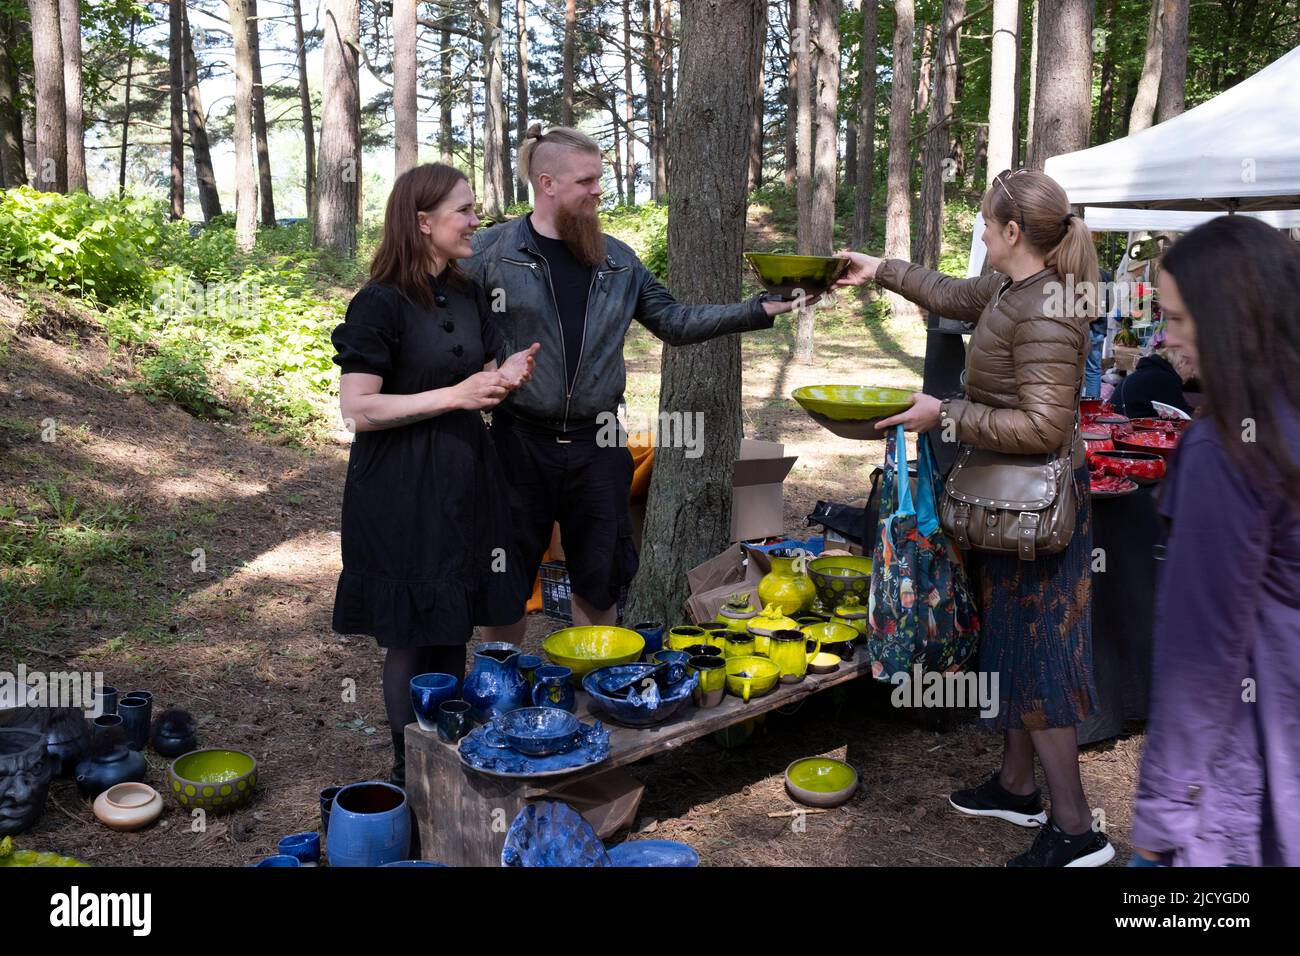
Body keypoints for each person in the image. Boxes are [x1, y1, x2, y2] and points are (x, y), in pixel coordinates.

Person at [834, 168, 1114, 867]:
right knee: (1017, 651)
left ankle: (1077, 830)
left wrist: (947, 413)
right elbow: (951, 294)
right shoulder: (1011, 287)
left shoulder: (1047, 308)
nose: (980, 231)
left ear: (1014, 232)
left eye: (987, 223)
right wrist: (879, 270)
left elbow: (1047, 426)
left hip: (1038, 516)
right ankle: (1019, 788)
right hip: (1007, 506)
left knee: (1042, 659)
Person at [463, 125, 807, 637]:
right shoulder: (492, 253)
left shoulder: (617, 261)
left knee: (599, 582)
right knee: (505, 582)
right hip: (516, 443)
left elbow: (674, 321)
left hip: (598, 446)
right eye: (586, 181)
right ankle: (499, 686)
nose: (599, 190)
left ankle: (594, 685)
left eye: (599, 178)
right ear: (547, 182)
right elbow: (446, 323)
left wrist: (759, 309)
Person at [330, 163, 540, 787]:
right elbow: (359, 410)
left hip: (464, 477)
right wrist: (455, 396)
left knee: (453, 619)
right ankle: (407, 769)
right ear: (422, 223)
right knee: (410, 634)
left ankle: (447, 757)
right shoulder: (379, 303)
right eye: (465, 211)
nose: (477, 220)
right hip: (398, 486)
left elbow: (477, 375)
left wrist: (503, 379)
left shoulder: (469, 291)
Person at [1130, 216, 1300, 867]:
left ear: (1228, 319)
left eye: (1176, 319)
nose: (1165, 339)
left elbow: (1200, 647)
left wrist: (1160, 815)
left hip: (1251, 755)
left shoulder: (1227, 448)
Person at [1110, 342, 1195, 419]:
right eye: (1192, 369)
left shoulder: (1152, 372)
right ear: (1182, 363)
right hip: (1126, 429)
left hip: (1117, 422)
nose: (1192, 375)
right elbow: (1184, 416)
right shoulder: (1164, 378)